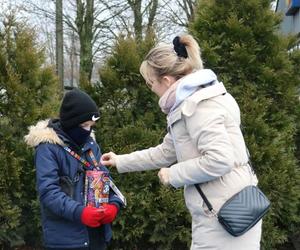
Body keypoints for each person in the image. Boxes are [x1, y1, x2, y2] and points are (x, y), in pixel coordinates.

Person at [100, 35, 262, 249]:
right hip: (230, 205)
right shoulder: (195, 101)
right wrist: (120, 161)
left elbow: (220, 160)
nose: (151, 90)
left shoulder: (198, 105)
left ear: (166, 80)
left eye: (151, 83)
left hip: (224, 214)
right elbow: (166, 152)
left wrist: (173, 174)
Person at [25, 88, 125, 250]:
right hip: (67, 239)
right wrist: (80, 212)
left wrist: (114, 204)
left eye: (92, 126)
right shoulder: (47, 148)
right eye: (84, 125)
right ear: (70, 123)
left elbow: (105, 178)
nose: (88, 131)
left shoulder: (91, 144)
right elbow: (49, 193)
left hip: (96, 236)